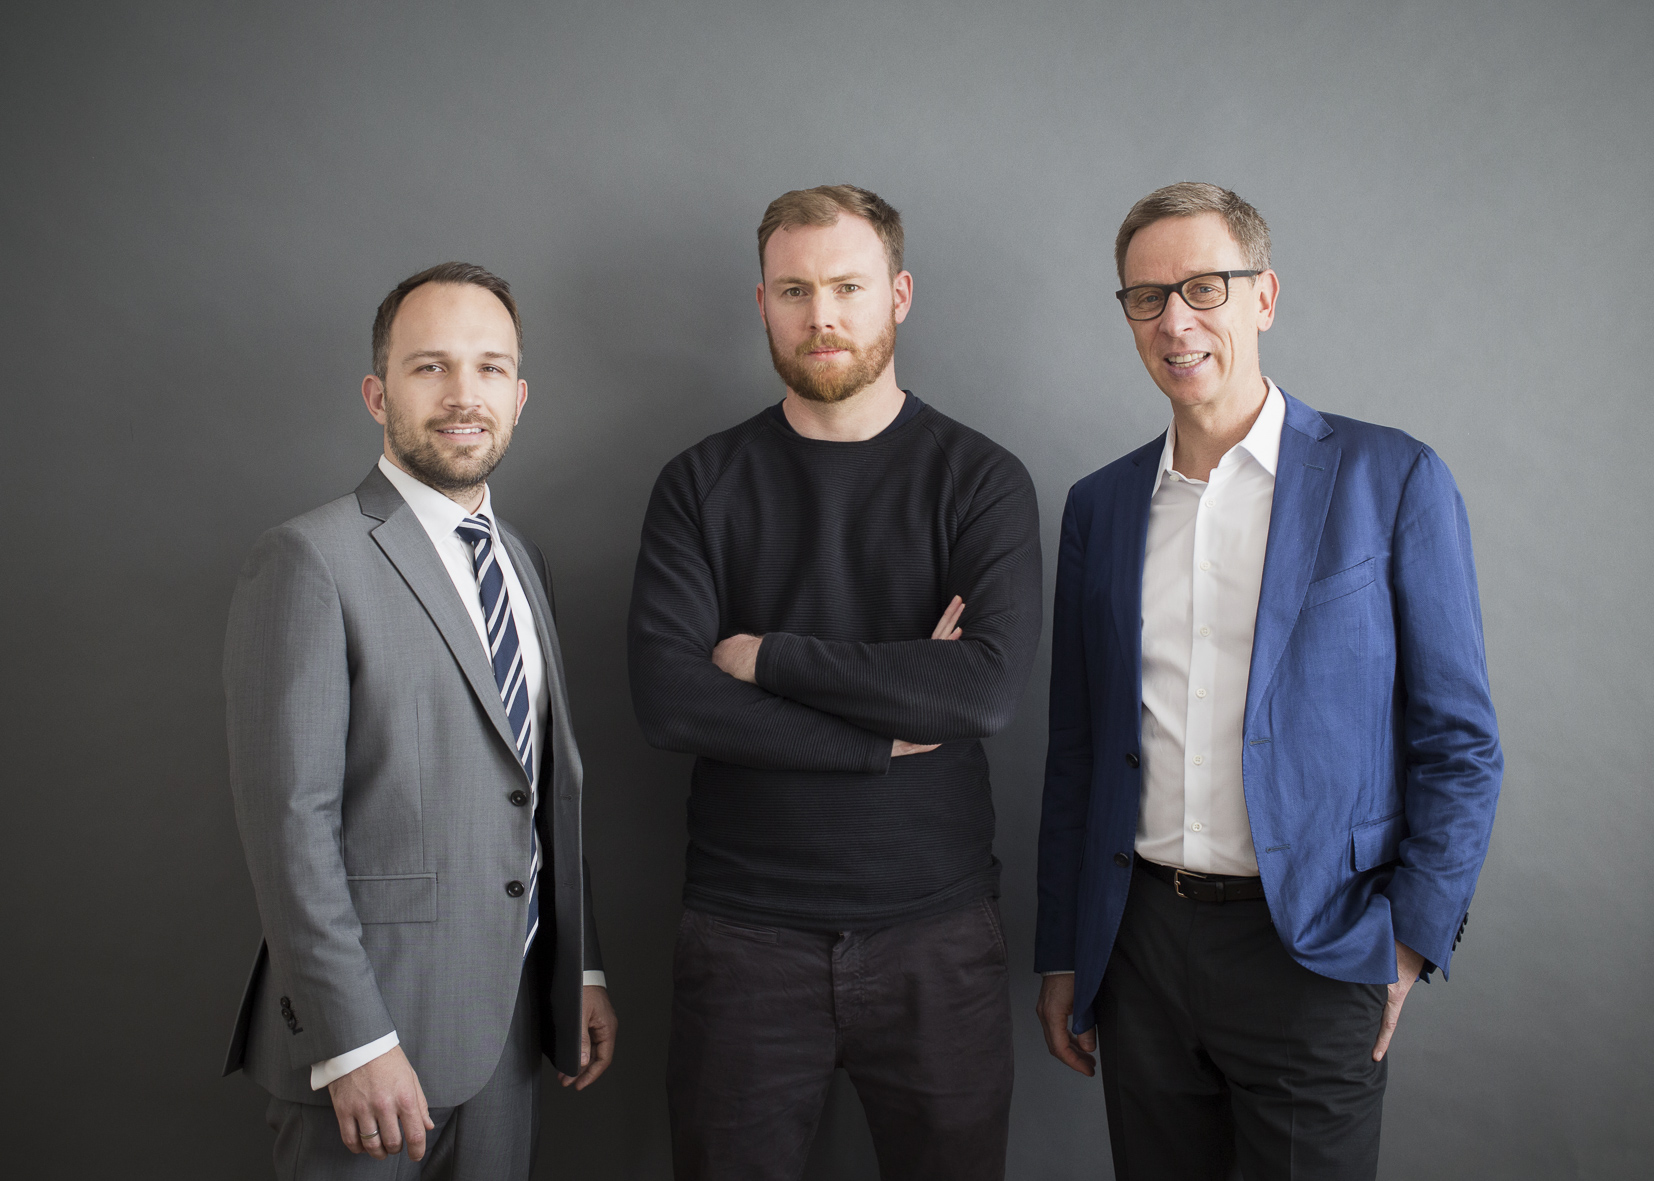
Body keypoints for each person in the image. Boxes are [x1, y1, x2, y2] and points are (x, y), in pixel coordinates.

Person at [1034, 182, 1502, 1180]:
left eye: (1204, 287)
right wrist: (1066, 949)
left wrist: (1408, 940)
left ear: (1264, 296)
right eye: (1147, 297)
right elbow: (1077, 747)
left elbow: (1459, 741)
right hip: (1139, 947)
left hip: (1317, 945)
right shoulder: (1100, 506)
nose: (1175, 321)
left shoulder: (1392, 477)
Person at [627, 185, 1042, 1181]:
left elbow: (980, 691)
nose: (822, 315)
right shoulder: (699, 483)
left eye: (848, 287)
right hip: (743, 935)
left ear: (898, 294)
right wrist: (879, 730)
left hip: (938, 936)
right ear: (762, 303)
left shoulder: (981, 478)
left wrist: (765, 656)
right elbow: (670, 699)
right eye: (795, 290)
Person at [222, 262, 617, 1179]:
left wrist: (582, 965)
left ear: (518, 397)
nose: (463, 395)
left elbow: (540, 788)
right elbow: (289, 826)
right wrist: (353, 1040)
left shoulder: (522, 563)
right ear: (378, 393)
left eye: (489, 368)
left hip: (510, 1030)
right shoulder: (308, 559)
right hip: (369, 1048)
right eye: (430, 366)